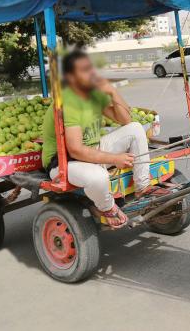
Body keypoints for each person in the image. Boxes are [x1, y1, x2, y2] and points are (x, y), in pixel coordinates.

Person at [41, 50, 168, 228]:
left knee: (135, 129)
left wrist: (112, 92)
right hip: (63, 162)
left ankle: (143, 188)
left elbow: (126, 120)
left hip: (93, 151)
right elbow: (75, 150)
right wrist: (114, 159)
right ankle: (107, 207)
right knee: (99, 178)